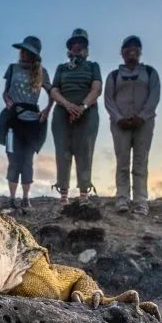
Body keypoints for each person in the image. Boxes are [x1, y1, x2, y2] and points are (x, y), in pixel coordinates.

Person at [0, 35, 52, 209]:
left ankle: (25, 198)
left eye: (27, 51)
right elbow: (5, 92)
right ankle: (12, 197)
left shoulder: (41, 72)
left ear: (34, 55)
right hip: (12, 120)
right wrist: (8, 100)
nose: (23, 54)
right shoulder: (13, 68)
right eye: (22, 50)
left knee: (27, 160)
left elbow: (52, 92)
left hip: (32, 121)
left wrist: (47, 109)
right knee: (13, 158)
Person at [104, 35, 161, 215]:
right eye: (127, 48)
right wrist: (118, 117)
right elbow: (108, 100)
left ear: (140, 51)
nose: (131, 51)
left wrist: (142, 116)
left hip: (144, 123)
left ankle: (140, 201)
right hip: (120, 124)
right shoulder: (114, 76)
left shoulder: (150, 73)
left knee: (140, 162)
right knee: (122, 162)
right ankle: (122, 199)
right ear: (122, 52)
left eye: (135, 47)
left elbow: (154, 97)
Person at [48, 28, 103, 204]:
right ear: (69, 49)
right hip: (62, 113)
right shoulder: (61, 68)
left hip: (87, 114)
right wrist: (68, 105)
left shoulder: (93, 66)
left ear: (86, 49)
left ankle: (84, 194)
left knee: (85, 150)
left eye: (81, 45)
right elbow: (54, 90)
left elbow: (96, 88)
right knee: (62, 150)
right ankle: (63, 194)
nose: (77, 47)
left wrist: (83, 106)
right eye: (74, 45)